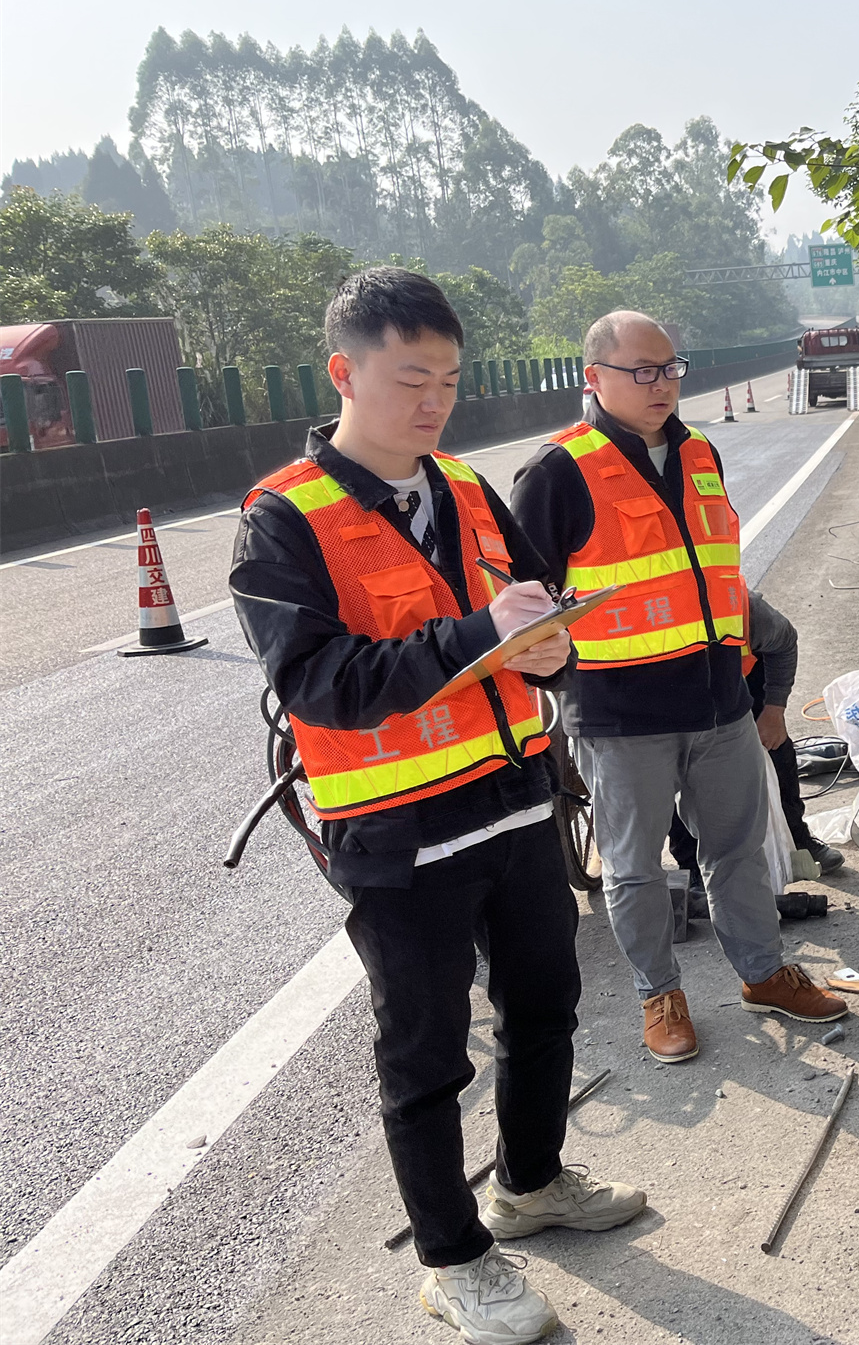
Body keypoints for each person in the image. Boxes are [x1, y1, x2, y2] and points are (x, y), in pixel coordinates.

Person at [231, 268, 646, 1345]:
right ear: (344, 373)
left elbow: (518, 622)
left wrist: (548, 649)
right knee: (423, 1054)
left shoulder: (465, 489)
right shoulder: (283, 521)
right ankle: (455, 1259)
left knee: (547, 1008)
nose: (433, 401)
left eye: (449, 380)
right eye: (411, 377)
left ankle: (533, 1182)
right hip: (398, 838)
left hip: (512, 807)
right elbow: (324, 685)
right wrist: (479, 637)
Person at [510, 310, 847, 1067]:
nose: (661, 384)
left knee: (735, 854)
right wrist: (566, 693)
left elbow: (715, 577)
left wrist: (751, 689)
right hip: (621, 715)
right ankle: (658, 996)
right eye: (641, 371)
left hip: (718, 701)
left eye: (670, 368)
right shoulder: (558, 471)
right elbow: (522, 606)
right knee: (634, 867)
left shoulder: (700, 453)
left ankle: (763, 973)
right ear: (593, 378)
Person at [671, 589, 843, 917]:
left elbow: (784, 640)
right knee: (670, 773)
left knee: (773, 747)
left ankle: (797, 839)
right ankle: (691, 865)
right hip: (665, 698)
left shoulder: (738, 605)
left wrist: (774, 710)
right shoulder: (642, 629)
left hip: (740, 676)